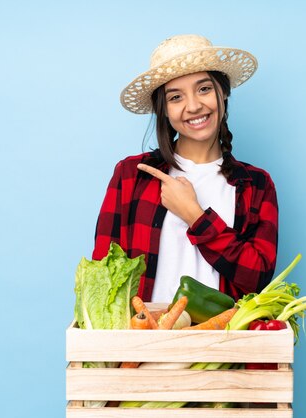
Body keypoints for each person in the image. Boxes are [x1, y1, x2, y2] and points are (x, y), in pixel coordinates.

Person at [92, 34, 278, 302]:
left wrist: (196, 216)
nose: (193, 106)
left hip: (224, 338)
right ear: (164, 110)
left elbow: (257, 276)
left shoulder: (256, 184)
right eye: (176, 97)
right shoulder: (132, 175)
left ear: (222, 92)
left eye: (204, 89)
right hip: (145, 338)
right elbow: (104, 275)